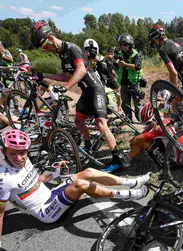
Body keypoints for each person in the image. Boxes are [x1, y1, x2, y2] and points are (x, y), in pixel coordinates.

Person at [0, 129, 151, 243]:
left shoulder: (24, 161)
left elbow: (37, 180)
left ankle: (133, 182)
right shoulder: (4, 179)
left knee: (88, 171)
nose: (19, 158)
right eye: (13, 154)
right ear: (3, 152)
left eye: (22, 152)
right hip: (46, 212)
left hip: (52, 195)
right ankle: (130, 195)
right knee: (80, 184)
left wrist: (55, 172)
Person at [28, 20, 124, 172]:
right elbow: (67, 75)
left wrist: (65, 88)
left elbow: (81, 70)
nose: (46, 50)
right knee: (79, 120)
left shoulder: (72, 48)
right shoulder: (62, 55)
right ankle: (87, 146)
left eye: (45, 46)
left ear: (51, 38)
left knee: (101, 123)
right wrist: (44, 75)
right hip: (86, 92)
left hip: (95, 88)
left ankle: (117, 159)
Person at [148, 24, 183, 107]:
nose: (155, 47)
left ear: (156, 40)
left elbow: (173, 72)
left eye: (154, 44)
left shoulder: (163, 50)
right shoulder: (181, 40)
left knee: (174, 105)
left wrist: (173, 92)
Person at [83, 39, 122, 112]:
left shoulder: (102, 58)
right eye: (88, 49)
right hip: (94, 80)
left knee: (117, 92)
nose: (91, 51)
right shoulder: (84, 58)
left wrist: (98, 60)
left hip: (107, 78)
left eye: (93, 49)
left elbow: (106, 68)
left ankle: (119, 106)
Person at [115, 34, 144, 121]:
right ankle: (128, 120)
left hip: (134, 82)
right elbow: (116, 67)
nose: (123, 47)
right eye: (121, 45)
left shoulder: (135, 54)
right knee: (125, 103)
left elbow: (137, 66)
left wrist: (125, 64)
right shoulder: (120, 54)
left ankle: (140, 120)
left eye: (125, 45)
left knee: (137, 103)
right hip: (123, 82)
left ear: (130, 45)